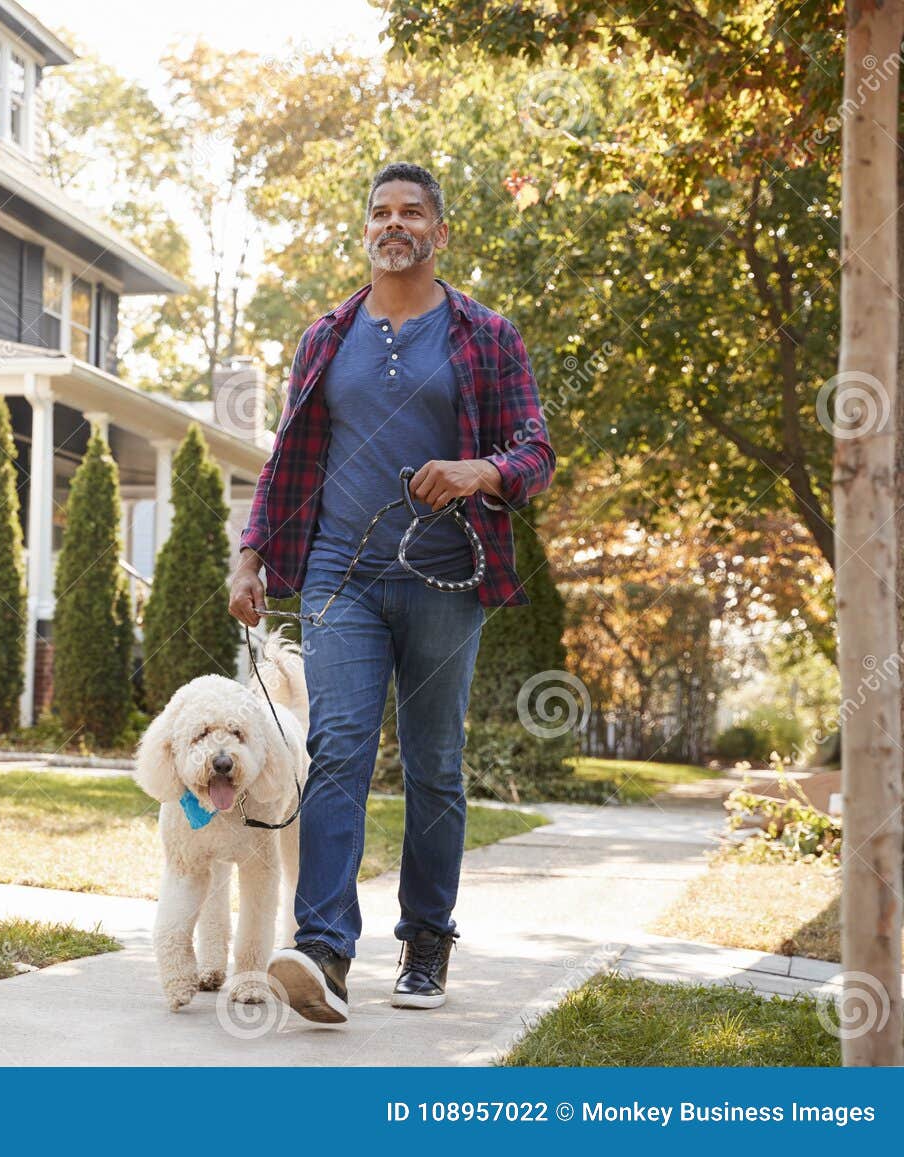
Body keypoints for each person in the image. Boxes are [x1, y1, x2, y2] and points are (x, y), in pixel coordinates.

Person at [228, 161, 556, 1023]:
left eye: (412, 212)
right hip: (341, 570)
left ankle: (426, 937)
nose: (394, 223)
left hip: (446, 576)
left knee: (434, 761)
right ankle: (325, 948)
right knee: (336, 746)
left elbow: (535, 450)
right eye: (380, 212)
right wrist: (250, 554)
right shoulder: (324, 336)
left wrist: (480, 468)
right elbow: (285, 459)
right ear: (366, 228)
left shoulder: (486, 335)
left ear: (439, 233)